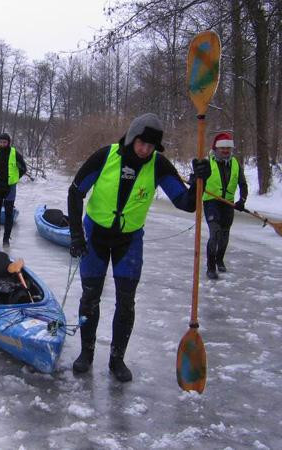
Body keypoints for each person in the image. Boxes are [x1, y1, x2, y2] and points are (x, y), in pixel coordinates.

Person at [67, 113, 211, 382]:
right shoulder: (106, 156)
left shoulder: (158, 165)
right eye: (142, 143)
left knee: (126, 302)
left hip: (129, 242)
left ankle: (116, 359)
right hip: (95, 235)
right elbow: (75, 192)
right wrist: (76, 235)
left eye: (151, 146)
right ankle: (86, 353)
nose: (146, 150)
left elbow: (186, 203)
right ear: (132, 137)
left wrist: (199, 183)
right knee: (90, 297)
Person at [203, 132, 248, 280]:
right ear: (216, 148)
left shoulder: (235, 163)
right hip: (211, 202)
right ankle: (210, 267)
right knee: (215, 232)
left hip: (228, 203)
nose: (225, 151)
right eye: (222, 148)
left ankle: (219, 260)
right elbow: (198, 180)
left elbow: (242, 184)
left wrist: (242, 200)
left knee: (224, 234)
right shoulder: (208, 162)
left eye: (228, 148)